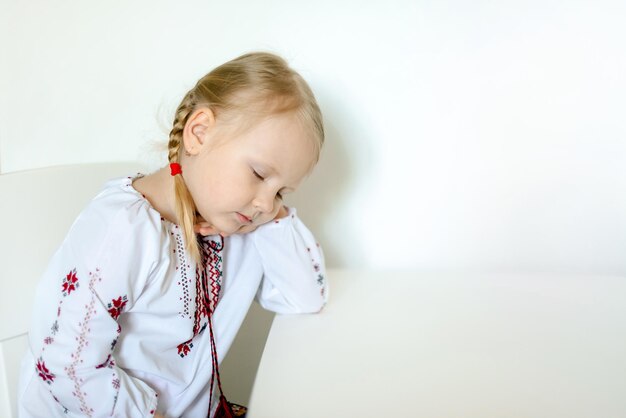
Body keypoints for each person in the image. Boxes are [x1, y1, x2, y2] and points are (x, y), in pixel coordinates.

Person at [18, 52, 327, 418]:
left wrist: (275, 217)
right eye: (259, 175)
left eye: (281, 192)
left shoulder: (241, 226)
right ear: (199, 134)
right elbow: (66, 364)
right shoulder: (125, 229)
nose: (264, 203)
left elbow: (305, 297)